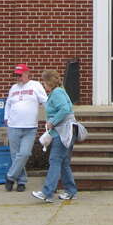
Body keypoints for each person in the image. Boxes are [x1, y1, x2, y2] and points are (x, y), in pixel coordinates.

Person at [32, 69, 79, 203]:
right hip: (67, 130)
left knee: (55, 160)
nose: (44, 85)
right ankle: (70, 191)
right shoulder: (59, 91)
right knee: (64, 163)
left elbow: (64, 109)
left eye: (44, 82)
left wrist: (52, 121)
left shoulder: (57, 93)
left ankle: (47, 192)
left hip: (63, 131)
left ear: (49, 82)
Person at [4, 63, 47, 191]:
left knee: (24, 153)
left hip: (30, 127)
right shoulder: (13, 88)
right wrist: (6, 118)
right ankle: (21, 181)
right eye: (16, 75)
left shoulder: (35, 85)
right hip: (13, 126)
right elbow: (8, 104)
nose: (18, 78)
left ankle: (10, 177)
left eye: (20, 75)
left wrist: (52, 114)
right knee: (15, 155)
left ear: (27, 74)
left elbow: (45, 101)